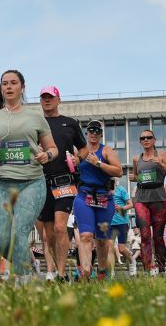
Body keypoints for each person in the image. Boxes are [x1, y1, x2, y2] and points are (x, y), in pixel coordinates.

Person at [0, 70, 58, 282]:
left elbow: (53, 148)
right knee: (1, 240)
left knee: (18, 233)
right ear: (1, 88)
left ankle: (23, 281)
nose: (9, 87)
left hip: (32, 181)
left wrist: (46, 155)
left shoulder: (36, 117)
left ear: (22, 87)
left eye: (13, 83)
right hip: (2, 184)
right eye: (5, 83)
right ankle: (29, 264)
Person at [35, 87, 87, 281]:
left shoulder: (70, 123)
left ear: (58, 99)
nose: (47, 101)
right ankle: (50, 271)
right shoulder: (35, 124)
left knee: (59, 227)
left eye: (50, 97)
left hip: (64, 180)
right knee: (48, 234)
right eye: (43, 98)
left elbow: (83, 149)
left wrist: (78, 159)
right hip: (41, 181)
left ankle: (62, 273)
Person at [71, 120, 123, 281]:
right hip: (83, 196)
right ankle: (85, 272)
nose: (93, 133)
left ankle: (102, 271)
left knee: (101, 240)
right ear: (86, 133)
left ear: (100, 134)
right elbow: (70, 167)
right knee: (85, 236)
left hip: (104, 198)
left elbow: (119, 171)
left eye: (97, 131)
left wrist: (98, 163)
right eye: (90, 130)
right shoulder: (80, 151)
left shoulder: (106, 151)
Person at [130, 128, 166, 276]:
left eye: (149, 137)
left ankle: (162, 268)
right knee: (145, 235)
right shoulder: (136, 159)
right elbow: (137, 176)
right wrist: (134, 178)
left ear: (154, 140)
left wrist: (161, 164)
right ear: (140, 142)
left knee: (157, 236)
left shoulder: (162, 155)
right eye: (143, 138)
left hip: (158, 198)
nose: (146, 140)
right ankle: (148, 269)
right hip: (141, 198)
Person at [109, 176, 136, 276]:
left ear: (116, 181)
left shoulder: (121, 190)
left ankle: (132, 261)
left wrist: (121, 208)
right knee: (109, 248)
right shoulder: (105, 191)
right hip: (109, 223)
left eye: (113, 180)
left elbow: (131, 204)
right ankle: (111, 272)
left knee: (121, 249)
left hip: (122, 222)